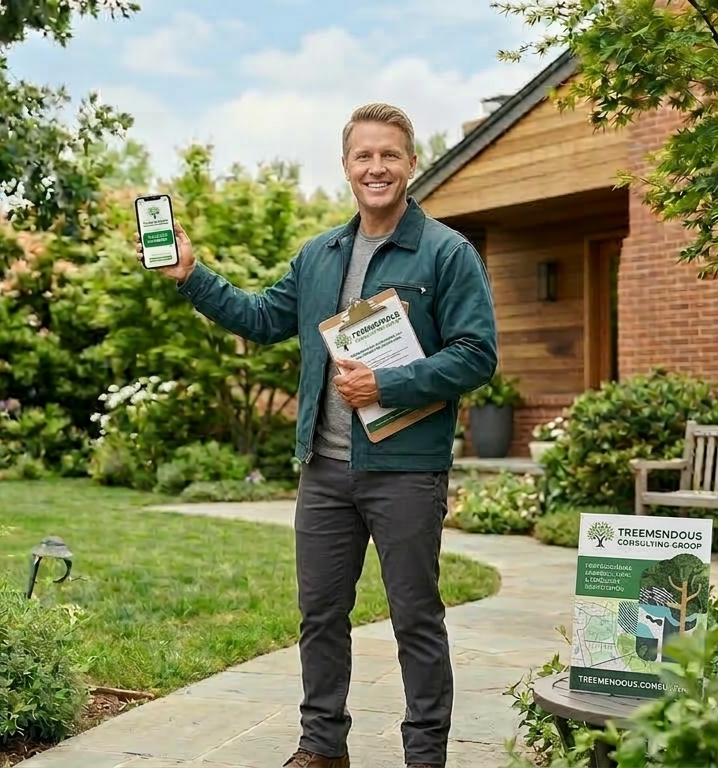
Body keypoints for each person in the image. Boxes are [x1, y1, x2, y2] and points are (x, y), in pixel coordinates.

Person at [137, 102, 498, 768]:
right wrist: (192, 275)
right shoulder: (319, 255)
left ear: (412, 163)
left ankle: (426, 757)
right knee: (320, 616)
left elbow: (477, 354)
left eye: (390, 154)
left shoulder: (447, 253)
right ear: (346, 167)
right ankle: (323, 746)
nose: (377, 167)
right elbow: (261, 316)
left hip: (406, 471)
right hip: (325, 471)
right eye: (364, 155)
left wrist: (388, 386)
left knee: (415, 619)